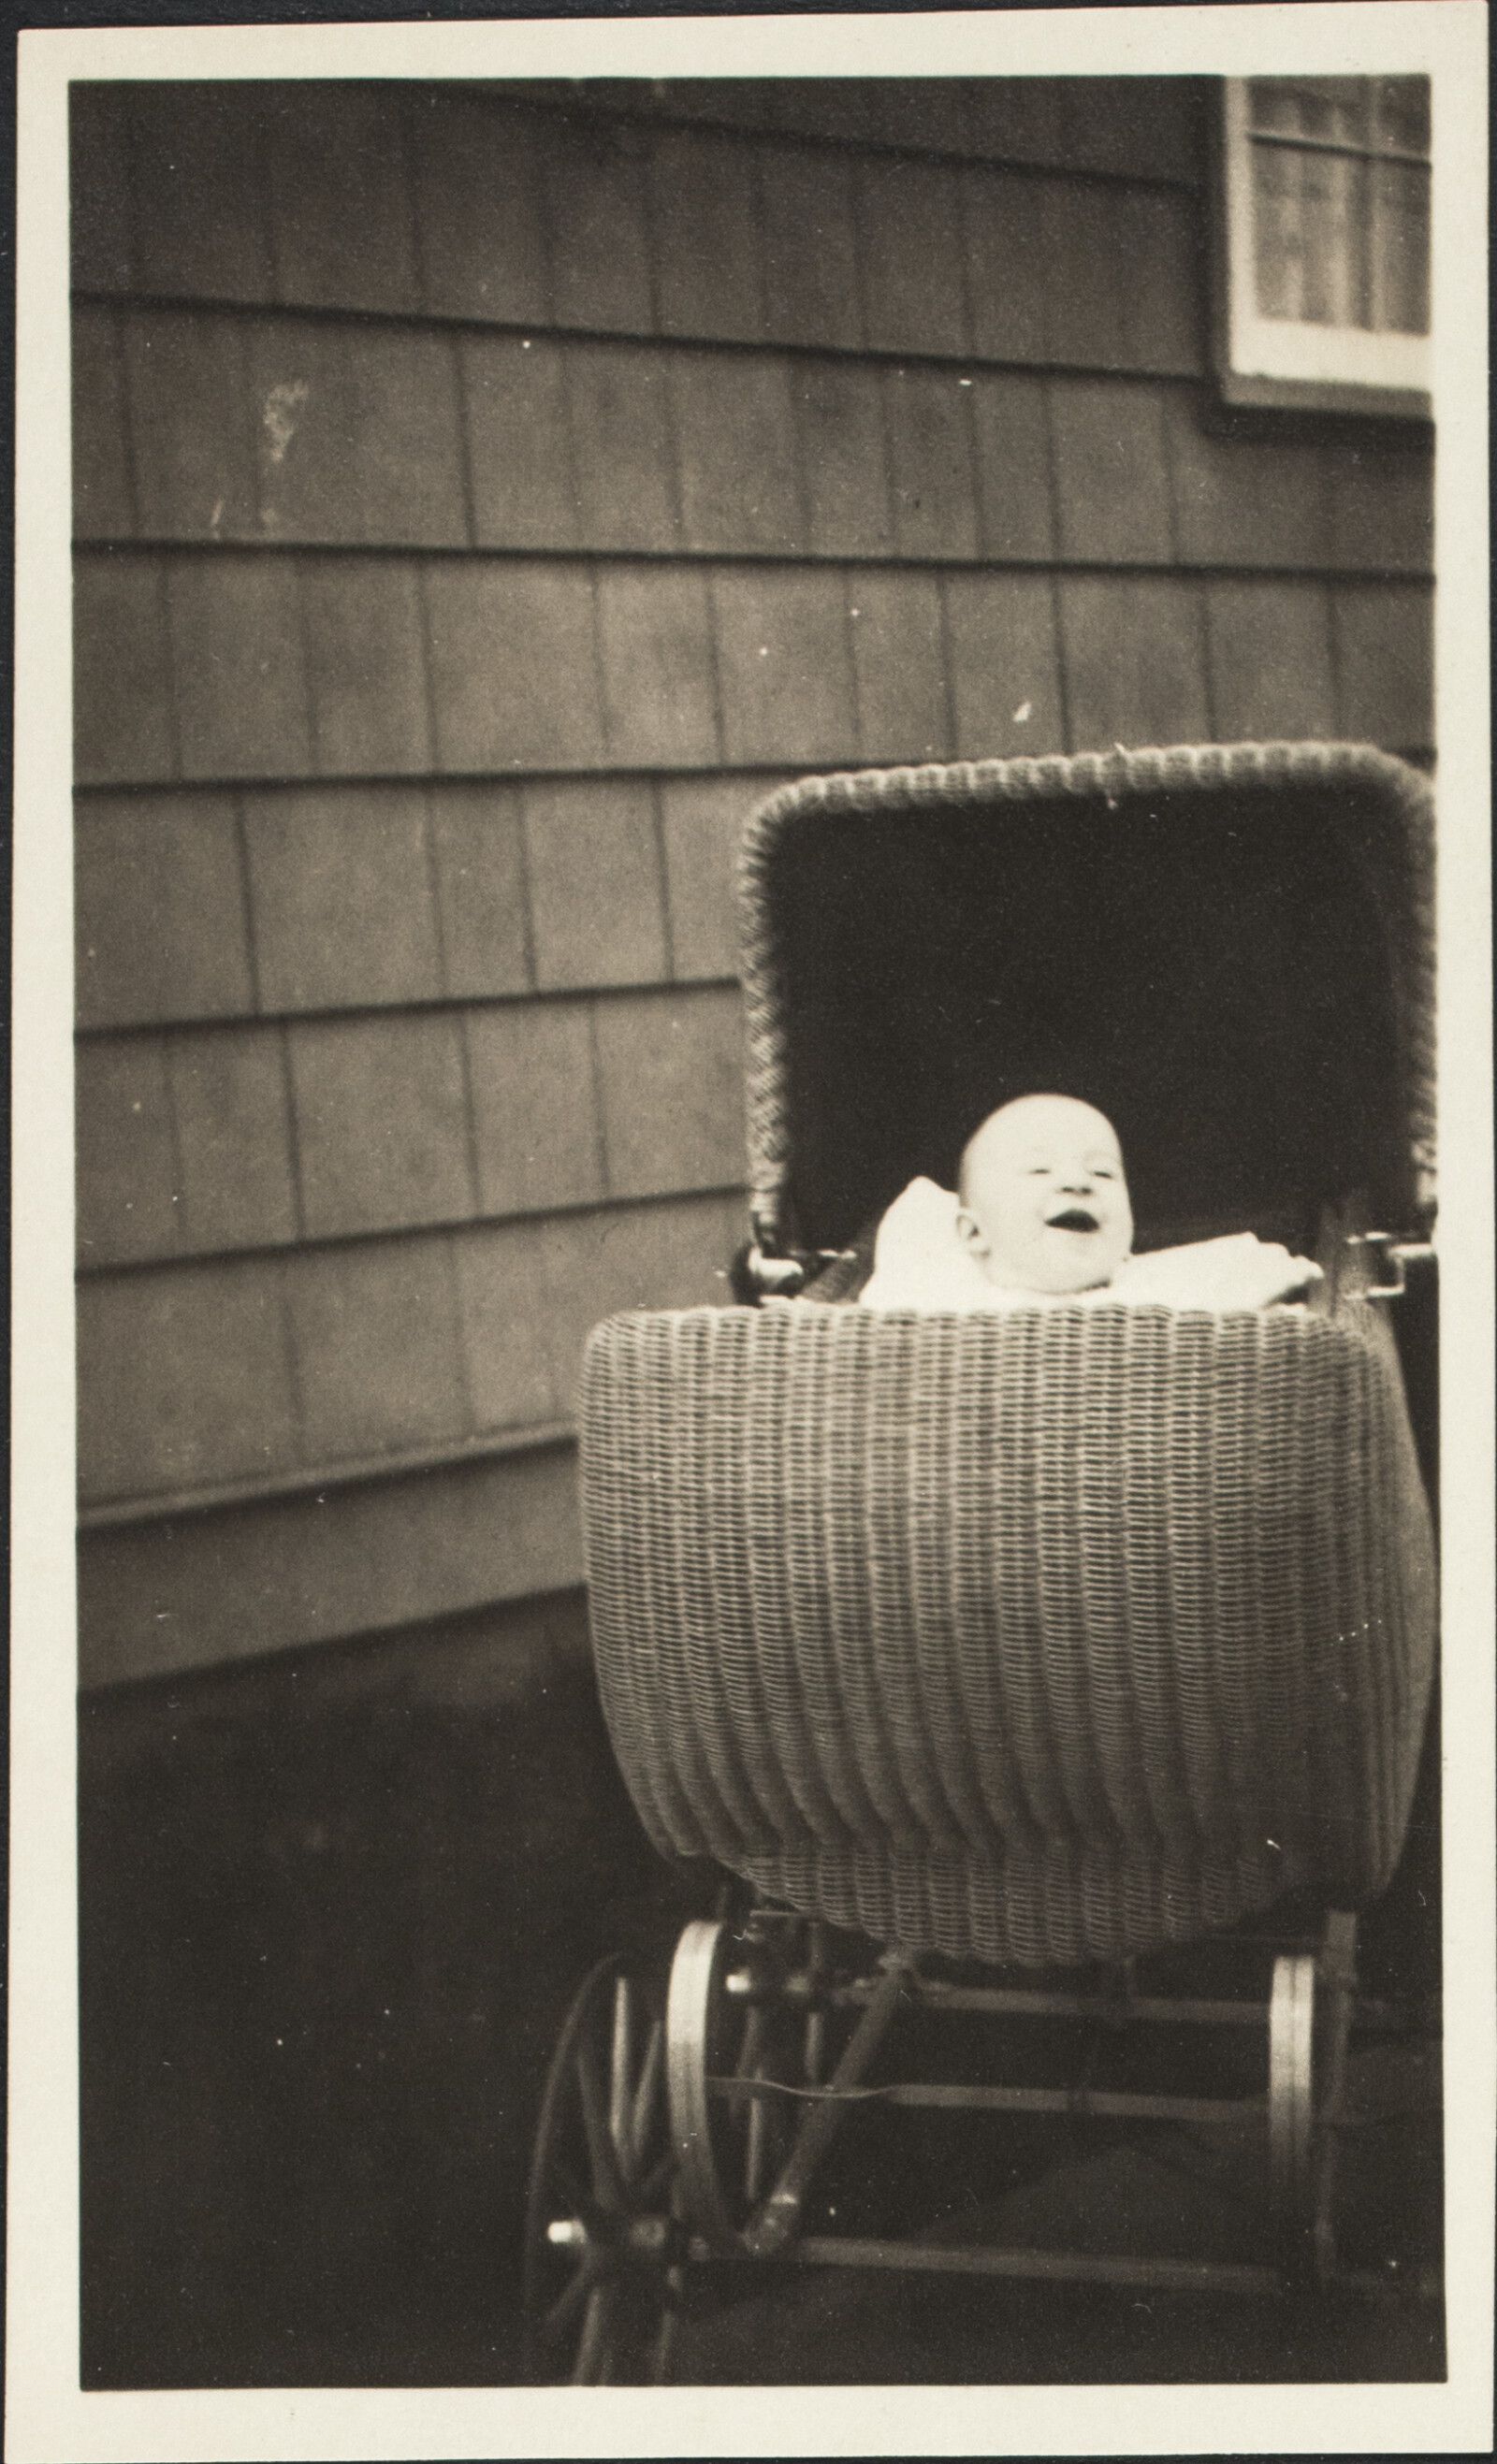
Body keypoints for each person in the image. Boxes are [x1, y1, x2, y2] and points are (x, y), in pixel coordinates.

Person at [859, 1093, 1322, 1311]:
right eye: (1039, 1170)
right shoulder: (943, 1301)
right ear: (974, 1233)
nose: (1078, 1184)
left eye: (1102, 1172)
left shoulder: (1154, 1293)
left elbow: (1238, 1275)